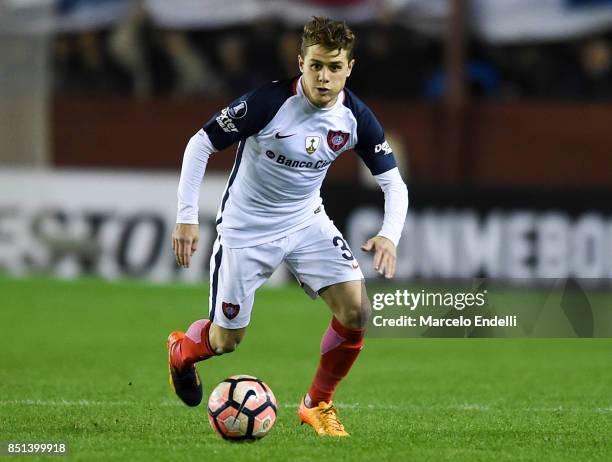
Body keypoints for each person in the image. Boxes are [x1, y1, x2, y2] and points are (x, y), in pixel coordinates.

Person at [168, 16, 408, 437]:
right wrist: (187, 217)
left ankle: (318, 404)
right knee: (226, 341)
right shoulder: (268, 103)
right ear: (301, 62)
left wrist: (390, 234)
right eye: (316, 65)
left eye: (334, 67)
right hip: (246, 231)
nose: (324, 76)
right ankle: (182, 351)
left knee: (357, 310)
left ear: (349, 68)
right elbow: (199, 143)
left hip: (306, 222)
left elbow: (393, 184)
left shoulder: (355, 118)